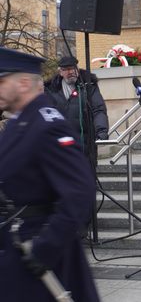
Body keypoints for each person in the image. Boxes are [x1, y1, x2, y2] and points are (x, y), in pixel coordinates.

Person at [0, 47, 99, 301]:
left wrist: (45, 248)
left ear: (23, 84)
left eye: (1, 81)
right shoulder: (18, 122)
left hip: (44, 252)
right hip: (18, 245)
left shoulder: (47, 124)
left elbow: (79, 192)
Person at [45, 55, 109, 168]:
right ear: (60, 72)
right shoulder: (51, 90)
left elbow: (98, 109)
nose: (70, 72)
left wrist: (101, 130)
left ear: (77, 69)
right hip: (60, 145)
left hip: (85, 143)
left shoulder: (88, 86)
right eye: (66, 69)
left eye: (72, 68)